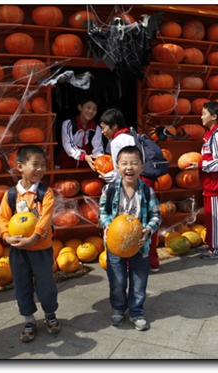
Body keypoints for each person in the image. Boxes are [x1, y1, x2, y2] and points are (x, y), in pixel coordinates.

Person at [0, 145, 60, 342]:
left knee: (46, 285)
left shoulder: (45, 193)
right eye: (35, 165)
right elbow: (2, 219)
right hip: (18, 251)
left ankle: (50, 314)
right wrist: (6, 236)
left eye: (43, 165)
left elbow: (45, 218)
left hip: (40, 248)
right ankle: (29, 320)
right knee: (22, 285)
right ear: (20, 167)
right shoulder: (11, 195)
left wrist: (34, 237)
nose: (40, 169)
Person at [98, 145, 161, 331]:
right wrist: (107, 224)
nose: (129, 167)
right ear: (117, 166)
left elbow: (156, 215)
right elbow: (103, 212)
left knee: (139, 282)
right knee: (117, 282)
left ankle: (136, 311)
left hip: (140, 246)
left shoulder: (147, 192)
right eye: (124, 163)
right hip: (115, 246)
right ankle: (118, 309)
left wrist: (148, 229)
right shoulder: (109, 190)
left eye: (134, 163)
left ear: (142, 167)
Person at [98, 108, 161, 273]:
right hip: (145, 180)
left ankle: (128, 259)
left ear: (114, 126)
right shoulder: (133, 134)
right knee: (147, 221)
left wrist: (105, 177)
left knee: (130, 223)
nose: (103, 131)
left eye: (104, 127)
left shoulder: (117, 141)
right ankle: (152, 261)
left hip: (133, 185)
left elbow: (120, 170)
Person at [186, 101, 218, 260]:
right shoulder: (208, 134)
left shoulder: (217, 136)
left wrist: (201, 164)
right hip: (208, 184)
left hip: (215, 184)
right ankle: (211, 244)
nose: (201, 117)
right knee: (210, 217)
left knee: (216, 219)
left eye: (204, 114)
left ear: (214, 116)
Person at [54, 96, 104, 170]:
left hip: (85, 167)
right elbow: (68, 145)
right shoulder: (68, 124)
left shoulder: (97, 129)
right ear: (80, 107)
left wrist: (101, 160)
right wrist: (83, 156)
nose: (91, 111)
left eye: (94, 109)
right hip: (65, 165)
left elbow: (97, 149)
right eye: (88, 107)